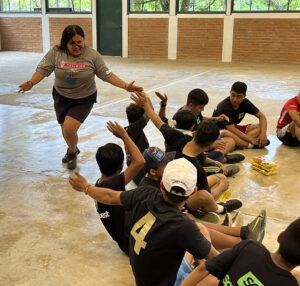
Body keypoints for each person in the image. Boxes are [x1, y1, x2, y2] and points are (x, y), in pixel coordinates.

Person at [69, 158, 219, 286]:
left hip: (143, 277)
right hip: (167, 282)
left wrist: (86, 188)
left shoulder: (145, 192)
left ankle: (195, 263)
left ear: (161, 185)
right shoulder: (183, 225)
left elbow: (109, 196)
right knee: (217, 276)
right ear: (193, 191)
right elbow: (218, 259)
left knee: (200, 230)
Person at [18, 25, 143, 170]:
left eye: (80, 42)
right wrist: (31, 82)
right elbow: (43, 69)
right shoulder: (56, 53)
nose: (77, 46)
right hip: (61, 96)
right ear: (65, 43)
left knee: (69, 129)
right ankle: (73, 148)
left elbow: (106, 75)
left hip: (84, 98)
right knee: (64, 129)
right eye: (72, 43)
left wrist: (125, 86)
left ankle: (71, 152)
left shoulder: (92, 55)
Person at [130, 91, 242, 223]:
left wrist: (146, 106)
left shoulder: (174, 136)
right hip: (177, 200)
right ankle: (219, 209)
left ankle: (210, 200)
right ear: (210, 145)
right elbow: (205, 195)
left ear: (195, 134)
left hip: (174, 188)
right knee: (213, 188)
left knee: (220, 177)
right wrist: (219, 189)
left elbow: (158, 121)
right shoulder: (197, 170)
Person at [181, 217, 300, 286]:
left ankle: (239, 238)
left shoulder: (251, 248)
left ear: (280, 237)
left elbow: (203, 269)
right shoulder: (290, 283)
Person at [94, 120, 145, 254]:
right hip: (133, 243)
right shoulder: (114, 184)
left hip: (125, 240)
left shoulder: (99, 184)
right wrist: (124, 136)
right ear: (122, 166)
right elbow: (139, 161)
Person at [157, 89, 244, 164]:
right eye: (201, 107)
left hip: (200, 140)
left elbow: (200, 118)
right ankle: (222, 158)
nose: (202, 109)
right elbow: (187, 147)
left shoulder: (194, 111)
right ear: (191, 105)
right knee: (228, 142)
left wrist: (215, 119)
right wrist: (210, 145)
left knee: (228, 138)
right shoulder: (180, 120)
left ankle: (218, 156)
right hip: (193, 147)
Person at [213, 81, 269, 149]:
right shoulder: (224, 106)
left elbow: (262, 116)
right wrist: (251, 139)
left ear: (244, 96)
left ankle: (238, 143)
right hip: (218, 132)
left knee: (259, 127)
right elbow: (231, 129)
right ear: (230, 93)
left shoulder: (245, 103)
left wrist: (263, 134)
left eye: (239, 96)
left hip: (234, 130)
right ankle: (249, 145)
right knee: (225, 132)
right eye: (233, 95)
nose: (235, 99)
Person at [124, 98, 154, 185]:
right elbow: (150, 112)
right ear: (139, 120)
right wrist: (146, 98)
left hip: (135, 167)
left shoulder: (128, 129)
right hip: (140, 170)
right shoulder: (134, 129)